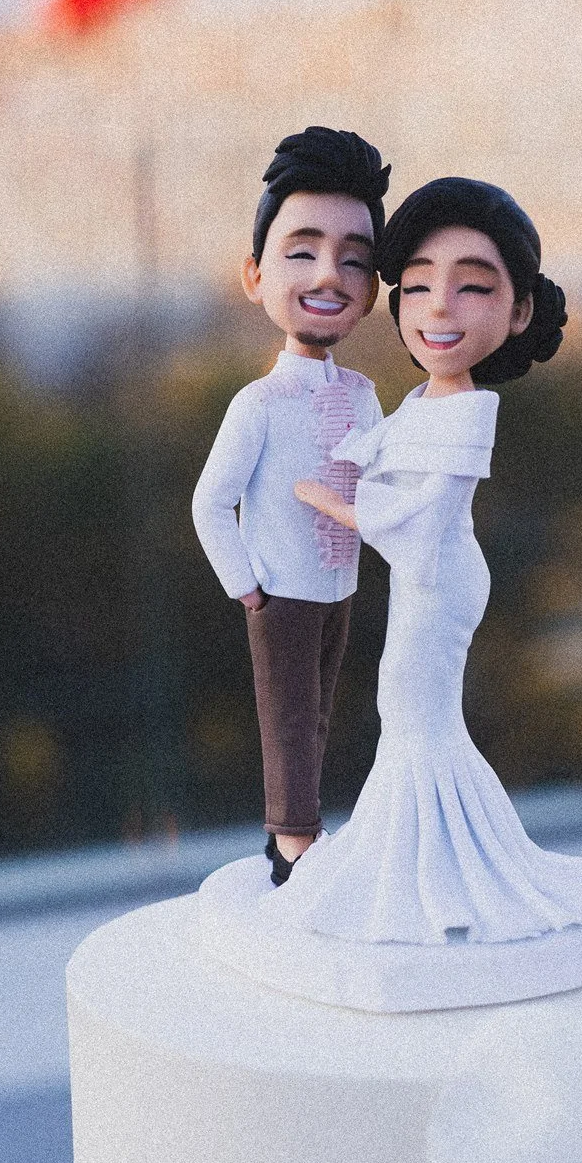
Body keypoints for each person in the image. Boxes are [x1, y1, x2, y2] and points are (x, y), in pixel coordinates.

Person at [275, 175, 582, 942]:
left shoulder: (471, 409)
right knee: (407, 713)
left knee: (413, 713)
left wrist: (329, 502)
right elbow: (381, 453)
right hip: (430, 566)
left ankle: (440, 872)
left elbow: (420, 517)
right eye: (415, 288)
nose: (438, 306)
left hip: (435, 572)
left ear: (517, 311)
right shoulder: (423, 401)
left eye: (472, 287)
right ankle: (423, 857)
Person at [192, 127, 387, 884]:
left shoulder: (364, 394)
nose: (327, 275)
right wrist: (247, 586)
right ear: (255, 274)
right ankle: (294, 847)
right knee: (288, 726)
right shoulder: (259, 403)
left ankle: (298, 838)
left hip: (340, 585)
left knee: (322, 714)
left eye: (354, 260)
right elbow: (210, 502)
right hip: (280, 590)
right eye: (300, 251)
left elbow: (381, 476)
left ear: (371, 289)